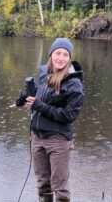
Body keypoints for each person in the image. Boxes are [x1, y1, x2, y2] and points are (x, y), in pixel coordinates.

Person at [25, 38, 84, 202]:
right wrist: (25, 100)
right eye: (58, 53)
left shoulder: (74, 85)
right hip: (37, 138)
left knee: (60, 188)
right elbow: (40, 96)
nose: (61, 58)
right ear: (51, 54)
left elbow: (68, 116)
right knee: (43, 184)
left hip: (58, 141)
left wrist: (39, 106)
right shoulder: (45, 73)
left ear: (69, 58)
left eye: (65, 54)